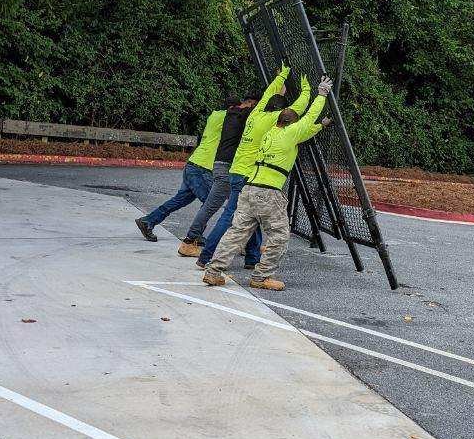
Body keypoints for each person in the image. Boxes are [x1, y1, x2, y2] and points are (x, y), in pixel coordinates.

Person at [203, 75, 332, 291]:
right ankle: (261, 276)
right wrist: (321, 94)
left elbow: (305, 129)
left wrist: (320, 126)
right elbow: (308, 117)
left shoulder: (270, 133)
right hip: (269, 194)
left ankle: (213, 271)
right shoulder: (291, 134)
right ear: (292, 124)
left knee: (236, 233)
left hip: (249, 189)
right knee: (279, 236)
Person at [195, 64, 309, 270]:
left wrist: (282, 76)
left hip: (237, 170)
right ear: (280, 111)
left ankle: (252, 258)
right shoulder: (272, 121)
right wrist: (308, 90)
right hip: (246, 174)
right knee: (231, 218)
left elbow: (267, 94)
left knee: (251, 216)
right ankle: (206, 256)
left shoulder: (256, 113)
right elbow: (298, 108)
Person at [133, 91, 257, 244]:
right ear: (232, 107)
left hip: (193, 164)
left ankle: (148, 221)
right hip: (203, 168)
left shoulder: (215, 115)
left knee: (179, 200)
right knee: (210, 203)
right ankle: (196, 235)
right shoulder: (227, 116)